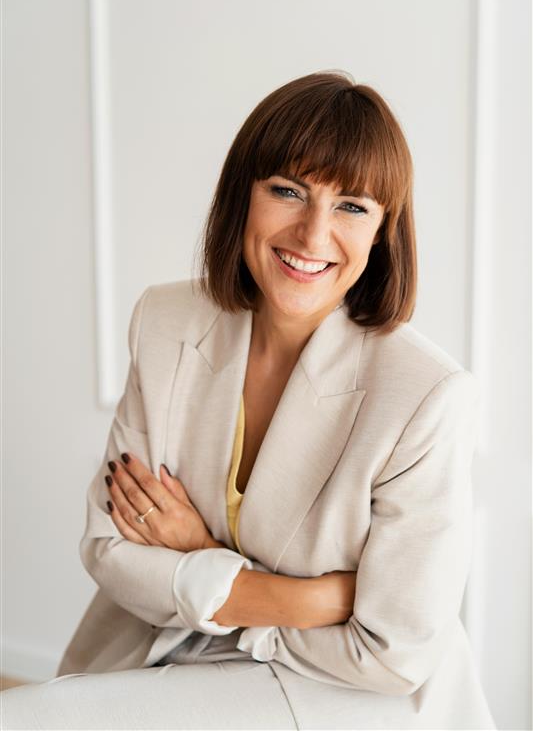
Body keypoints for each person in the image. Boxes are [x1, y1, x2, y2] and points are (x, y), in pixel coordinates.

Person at [1, 71, 496, 730]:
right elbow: (109, 548)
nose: (313, 235)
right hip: (168, 647)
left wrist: (200, 557)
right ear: (244, 195)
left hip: (337, 692)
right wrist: (307, 601)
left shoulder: (426, 396)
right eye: (288, 191)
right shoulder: (165, 321)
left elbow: (392, 651)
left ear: (383, 231)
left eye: (351, 206)